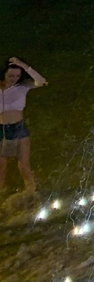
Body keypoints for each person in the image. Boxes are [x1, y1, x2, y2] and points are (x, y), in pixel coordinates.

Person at [1, 57, 47, 207]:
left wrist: (23, 65)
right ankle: (2, 191)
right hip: (1, 130)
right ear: (4, 74)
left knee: (23, 164)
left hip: (19, 128)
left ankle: (31, 190)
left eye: (17, 76)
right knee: (2, 164)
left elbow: (41, 81)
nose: (14, 79)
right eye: (11, 75)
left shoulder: (22, 87)